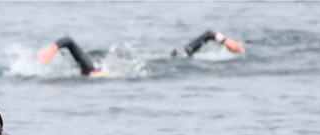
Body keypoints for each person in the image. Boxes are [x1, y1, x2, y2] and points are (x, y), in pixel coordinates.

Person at [38, 30, 245, 77]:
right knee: (183, 54)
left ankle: (221, 38)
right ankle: (221, 38)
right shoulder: (91, 70)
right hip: (160, 62)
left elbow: (68, 40)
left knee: (184, 54)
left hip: (158, 62)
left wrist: (52, 48)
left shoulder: (89, 70)